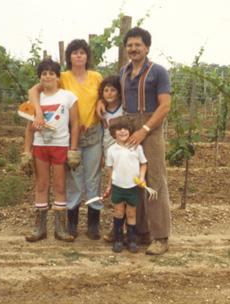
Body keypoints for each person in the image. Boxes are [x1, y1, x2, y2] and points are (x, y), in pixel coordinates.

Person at [97, 27, 172, 255]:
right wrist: (99, 101)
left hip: (150, 125)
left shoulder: (158, 72)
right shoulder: (123, 72)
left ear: (147, 47)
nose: (133, 48)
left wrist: (145, 129)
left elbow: (165, 106)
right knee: (130, 177)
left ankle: (161, 237)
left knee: (154, 180)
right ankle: (139, 231)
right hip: (128, 124)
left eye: (138, 44)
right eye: (129, 45)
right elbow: (110, 93)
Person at [28, 39, 104, 240]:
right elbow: (35, 90)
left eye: (82, 52)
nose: (79, 56)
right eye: (74, 53)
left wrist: (101, 103)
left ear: (87, 57)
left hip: (93, 134)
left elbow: (104, 95)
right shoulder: (62, 78)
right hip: (71, 138)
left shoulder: (96, 77)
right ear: (68, 57)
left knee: (93, 179)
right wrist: (37, 111)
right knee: (73, 180)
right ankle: (70, 224)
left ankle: (93, 225)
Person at [21, 58, 79, 243]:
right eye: (44, 73)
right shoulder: (36, 99)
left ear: (57, 76)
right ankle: (40, 227)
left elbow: (75, 124)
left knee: (60, 187)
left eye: (51, 73)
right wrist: (26, 151)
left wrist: (73, 150)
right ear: (40, 77)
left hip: (61, 146)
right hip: (40, 147)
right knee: (41, 185)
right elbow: (29, 127)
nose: (48, 76)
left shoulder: (68, 97)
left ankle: (60, 228)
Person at [105, 116, 147, 253]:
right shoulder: (111, 150)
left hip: (132, 187)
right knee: (118, 212)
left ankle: (131, 241)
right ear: (113, 133)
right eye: (119, 129)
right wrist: (109, 185)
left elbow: (143, 164)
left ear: (130, 131)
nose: (122, 132)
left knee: (130, 213)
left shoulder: (137, 148)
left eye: (125, 129)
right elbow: (111, 169)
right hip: (118, 186)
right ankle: (118, 240)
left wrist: (141, 178)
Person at [99, 75, 123, 168]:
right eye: (106, 90)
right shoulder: (101, 112)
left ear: (119, 93)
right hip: (108, 149)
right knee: (112, 176)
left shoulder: (124, 109)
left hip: (123, 149)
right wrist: (102, 154)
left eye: (113, 90)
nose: (109, 93)